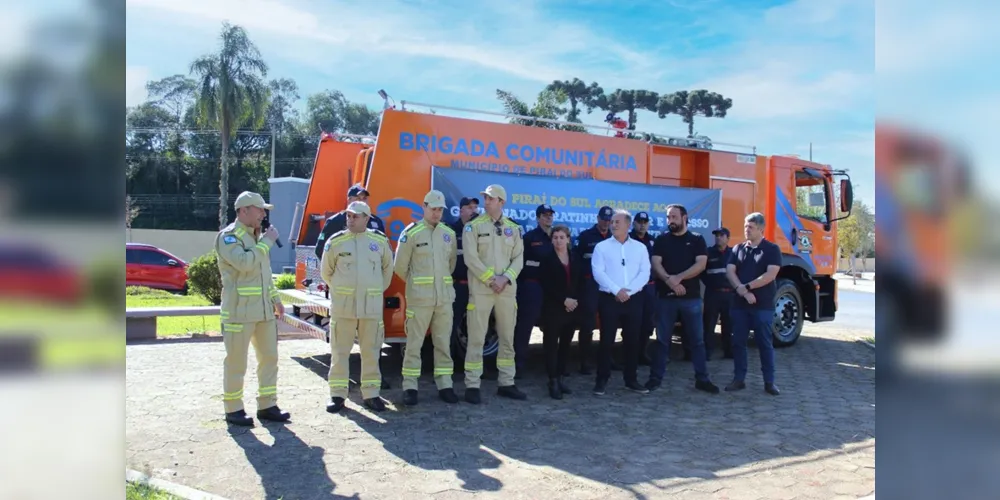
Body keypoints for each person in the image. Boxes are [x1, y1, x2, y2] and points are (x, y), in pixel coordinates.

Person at [215, 191, 290, 426]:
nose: (263, 214)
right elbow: (246, 264)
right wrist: (267, 242)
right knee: (237, 362)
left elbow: (264, 275)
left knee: (269, 358)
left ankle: (267, 404)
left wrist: (276, 299)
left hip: (264, 311)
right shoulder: (229, 237)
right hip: (239, 312)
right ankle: (233, 409)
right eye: (259, 209)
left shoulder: (257, 237)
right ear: (244, 210)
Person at [320, 201, 394, 412]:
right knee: (340, 352)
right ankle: (337, 395)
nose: (350, 219)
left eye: (356, 216)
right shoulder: (336, 241)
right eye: (349, 216)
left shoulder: (378, 241)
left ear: (366, 219)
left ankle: (371, 394)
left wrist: (375, 289)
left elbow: (388, 269)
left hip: (370, 307)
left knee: (371, 351)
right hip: (344, 307)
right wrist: (342, 289)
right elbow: (327, 272)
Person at [393, 190, 460, 406]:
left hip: (444, 299)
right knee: (414, 344)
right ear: (424, 207)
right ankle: (410, 387)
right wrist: (418, 283)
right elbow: (400, 267)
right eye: (433, 209)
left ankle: (445, 385)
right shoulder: (411, 233)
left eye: (440, 209)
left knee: (443, 343)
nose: (437, 213)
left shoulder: (448, 234)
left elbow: (451, 265)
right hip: (420, 300)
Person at [461, 184, 526, 403]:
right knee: (476, 338)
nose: (486, 202)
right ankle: (472, 385)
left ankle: (506, 383)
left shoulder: (514, 228)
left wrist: (505, 278)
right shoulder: (473, 227)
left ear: (501, 202)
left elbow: (518, 259)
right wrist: (492, 279)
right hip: (481, 290)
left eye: (490, 198)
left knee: (507, 338)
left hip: (507, 291)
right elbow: (471, 258)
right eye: (485, 198)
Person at [647, 204, 720, 394]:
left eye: (673, 217)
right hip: (665, 298)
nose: (670, 220)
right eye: (668, 217)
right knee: (662, 341)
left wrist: (678, 278)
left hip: (691, 299)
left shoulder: (696, 239)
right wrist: (670, 282)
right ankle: (655, 379)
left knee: (697, 341)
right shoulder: (662, 239)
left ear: (684, 218)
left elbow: (701, 264)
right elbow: (656, 264)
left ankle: (702, 379)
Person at [590, 209, 651, 395]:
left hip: (633, 299)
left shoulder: (640, 248)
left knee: (632, 340)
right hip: (609, 299)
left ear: (628, 225)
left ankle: (631, 379)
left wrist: (629, 292)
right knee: (606, 340)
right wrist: (617, 290)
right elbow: (598, 272)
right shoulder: (601, 247)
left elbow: (645, 273)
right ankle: (601, 380)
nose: (613, 224)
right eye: (612, 221)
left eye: (617, 221)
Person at [725, 212, 782, 396]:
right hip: (739, 305)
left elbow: (770, 275)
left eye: (750, 227)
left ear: (761, 229)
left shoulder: (772, 249)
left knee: (764, 343)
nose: (746, 230)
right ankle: (739, 379)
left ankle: (769, 382)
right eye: (745, 226)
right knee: (738, 343)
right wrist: (741, 289)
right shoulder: (738, 249)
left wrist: (747, 287)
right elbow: (730, 271)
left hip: (762, 305)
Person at [539, 225, 582, 399]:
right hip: (553, 308)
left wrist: (574, 300)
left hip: (571, 308)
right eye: (555, 237)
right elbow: (546, 285)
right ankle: (553, 380)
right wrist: (563, 299)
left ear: (568, 239)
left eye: (561, 237)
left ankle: (561, 377)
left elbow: (580, 282)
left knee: (565, 345)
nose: (558, 240)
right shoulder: (547, 259)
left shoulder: (575, 257)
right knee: (551, 345)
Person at [513, 203, 555, 373]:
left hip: (552, 287)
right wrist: (539, 266)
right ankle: (519, 363)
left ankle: (549, 363)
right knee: (526, 325)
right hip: (533, 286)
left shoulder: (557, 236)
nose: (548, 217)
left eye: (550, 215)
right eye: (544, 215)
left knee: (551, 324)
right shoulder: (530, 237)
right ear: (538, 218)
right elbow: (524, 264)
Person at [574, 205, 614, 375]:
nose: (605, 223)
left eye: (609, 220)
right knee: (588, 324)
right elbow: (577, 262)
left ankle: (606, 360)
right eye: (603, 219)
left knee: (609, 324)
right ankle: (584, 361)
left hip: (609, 287)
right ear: (597, 219)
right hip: (590, 286)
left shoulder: (616, 238)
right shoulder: (585, 237)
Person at [314, 183, 386, 261]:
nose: (362, 202)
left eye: (364, 198)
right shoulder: (335, 221)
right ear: (349, 200)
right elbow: (320, 250)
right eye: (358, 198)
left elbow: (383, 249)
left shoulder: (376, 222)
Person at [449, 196, 480, 358]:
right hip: (458, 287)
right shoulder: (451, 230)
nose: (473, 210)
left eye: (475, 207)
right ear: (460, 210)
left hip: (478, 287)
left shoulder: (482, 232)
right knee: (451, 327)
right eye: (469, 207)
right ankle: (448, 365)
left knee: (477, 327)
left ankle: (476, 366)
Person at [702, 227, 735, 359]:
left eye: (721, 235)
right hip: (713, 294)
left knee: (729, 325)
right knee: (709, 324)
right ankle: (707, 352)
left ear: (728, 238)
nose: (718, 237)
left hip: (730, 294)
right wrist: (711, 284)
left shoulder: (734, 254)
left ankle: (728, 351)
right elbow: (702, 272)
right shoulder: (708, 253)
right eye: (716, 235)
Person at [629, 211, 657, 365]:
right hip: (633, 288)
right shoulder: (627, 240)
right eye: (639, 222)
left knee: (647, 323)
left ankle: (642, 353)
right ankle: (630, 355)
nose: (642, 224)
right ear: (633, 223)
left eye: (645, 222)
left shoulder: (652, 241)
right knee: (632, 322)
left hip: (649, 287)